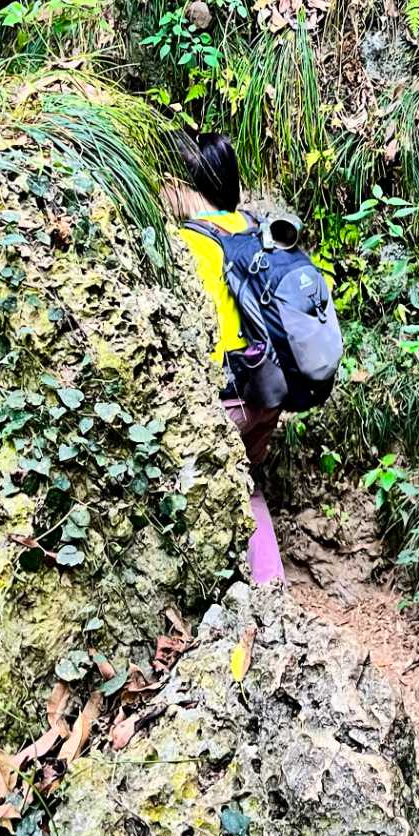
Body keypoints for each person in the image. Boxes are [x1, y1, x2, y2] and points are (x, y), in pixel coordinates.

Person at [168, 132, 289, 584]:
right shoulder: (256, 228)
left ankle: (220, 605)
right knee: (246, 483)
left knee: (200, 489)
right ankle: (272, 595)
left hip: (226, 397)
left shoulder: (189, 243)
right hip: (271, 391)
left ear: (182, 186)